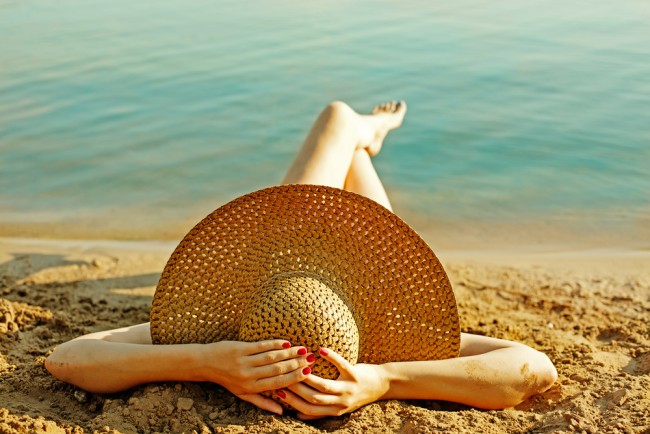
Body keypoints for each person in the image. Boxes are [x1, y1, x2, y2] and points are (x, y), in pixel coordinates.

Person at [45, 100, 557, 419]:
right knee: (337, 126)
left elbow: (70, 359)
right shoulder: (386, 338)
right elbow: (534, 370)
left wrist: (208, 361)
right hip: (363, 277)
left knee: (335, 120)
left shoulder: (220, 337)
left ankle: (357, 133)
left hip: (287, 264)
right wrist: (385, 378)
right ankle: (361, 136)